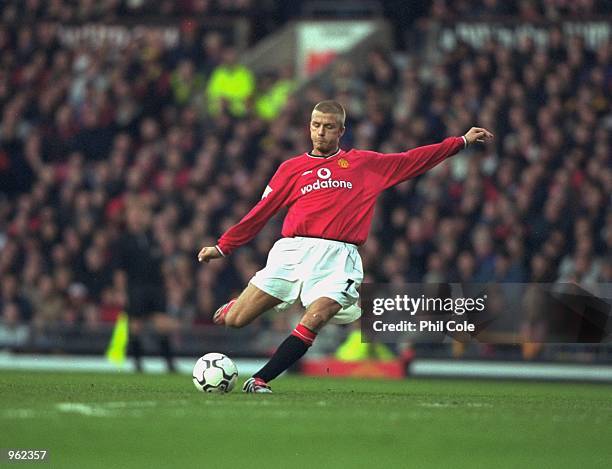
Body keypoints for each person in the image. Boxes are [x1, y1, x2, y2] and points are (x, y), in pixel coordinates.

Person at [197, 100, 493, 392]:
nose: (320, 132)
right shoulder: (291, 168)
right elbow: (261, 211)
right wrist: (223, 247)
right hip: (292, 252)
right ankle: (237, 307)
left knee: (316, 316)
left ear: (341, 131)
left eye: (328, 127)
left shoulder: (363, 165)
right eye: (315, 126)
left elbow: (412, 160)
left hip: (339, 258)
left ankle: (260, 379)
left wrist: (461, 142)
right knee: (235, 321)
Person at [114, 201, 177, 372]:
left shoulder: (152, 238)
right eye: (133, 214)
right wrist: (121, 292)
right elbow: (120, 270)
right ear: (128, 217)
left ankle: (170, 364)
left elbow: (162, 264)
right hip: (136, 287)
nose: (136, 217)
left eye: (139, 214)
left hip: (155, 287)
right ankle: (137, 364)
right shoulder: (123, 240)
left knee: (162, 324)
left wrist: (169, 283)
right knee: (135, 325)